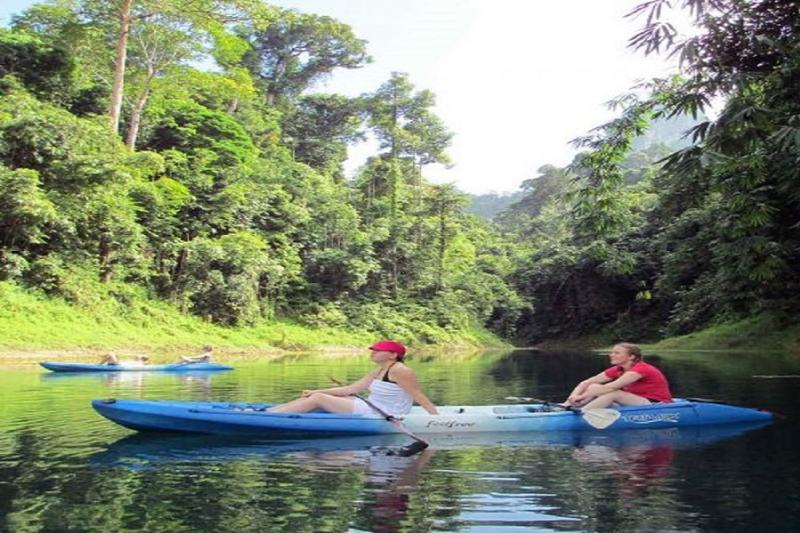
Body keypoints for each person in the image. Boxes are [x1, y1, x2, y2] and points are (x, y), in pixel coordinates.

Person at [268, 340, 439, 416]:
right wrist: (316, 390)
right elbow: (350, 389)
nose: (373, 352)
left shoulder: (402, 371)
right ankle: (271, 412)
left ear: (393, 355)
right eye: (373, 350)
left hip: (387, 412)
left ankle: (271, 417)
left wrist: (436, 418)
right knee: (322, 396)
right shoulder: (378, 370)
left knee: (319, 399)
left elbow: (417, 395)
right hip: (374, 406)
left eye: (378, 350)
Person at [563, 342, 672, 409]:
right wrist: (569, 401)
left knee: (614, 393)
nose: (611, 355)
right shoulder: (618, 369)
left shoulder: (641, 369)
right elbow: (586, 383)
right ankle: (568, 408)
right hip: (633, 401)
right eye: (612, 352)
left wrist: (581, 397)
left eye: (617, 353)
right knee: (592, 386)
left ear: (632, 357)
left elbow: (611, 387)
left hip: (655, 403)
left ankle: (582, 414)